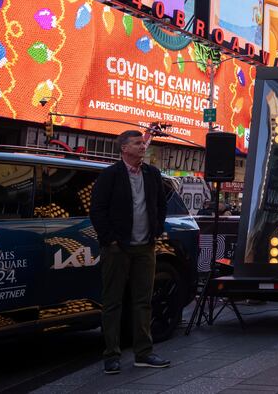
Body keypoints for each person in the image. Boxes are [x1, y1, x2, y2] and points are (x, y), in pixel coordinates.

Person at [90, 130, 171, 374]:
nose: (142, 147)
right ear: (124, 148)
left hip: (145, 247)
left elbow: (160, 205)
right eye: (137, 143)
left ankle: (143, 353)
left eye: (142, 143)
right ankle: (112, 355)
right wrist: (111, 240)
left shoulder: (152, 173)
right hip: (118, 249)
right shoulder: (110, 175)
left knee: (143, 301)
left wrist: (156, 231)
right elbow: (97, 210)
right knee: (113, 301)